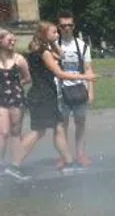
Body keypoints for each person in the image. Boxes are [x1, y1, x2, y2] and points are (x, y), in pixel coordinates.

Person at [5, 22, 96, 180]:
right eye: (54, 33)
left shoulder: (40, 49)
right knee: (37, 132)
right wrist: (86, 77)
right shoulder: (44, 52)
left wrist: (53, 42)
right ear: (43, 34)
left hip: (44, 95)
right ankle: (14, 165)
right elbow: (60, 73)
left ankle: (68, 163)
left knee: (59, 128)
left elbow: (61, 56)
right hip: (43, 96)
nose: (58, 35)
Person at [56, 11, 95, 168]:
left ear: (74, 26)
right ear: (59, 27)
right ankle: (65, 155)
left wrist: (91, 91)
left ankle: (80, 154)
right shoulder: (54, 45)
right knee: (62, 125)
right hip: (61, 90)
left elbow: (88, 69)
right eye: (63, 26)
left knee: (80, 123)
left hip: (79, 88)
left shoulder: (82, 45)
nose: (66, 28)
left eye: (69, 25)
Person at [0, 28, 30, 171]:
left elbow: (27, 78)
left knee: (15, 133)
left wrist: (17, 86)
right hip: (1, 100)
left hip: (16, 99)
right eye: (9, 39)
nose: (13, 42)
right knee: (3, 132)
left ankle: (15, 165)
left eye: (14, 39)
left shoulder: (19, 59)